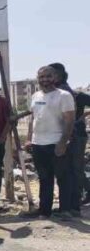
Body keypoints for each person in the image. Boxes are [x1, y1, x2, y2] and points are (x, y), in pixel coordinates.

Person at [25, 65, 77, 219]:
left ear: (55, 78)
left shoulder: (64, 95)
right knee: (44, 178)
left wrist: (62, 143)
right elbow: (32, 119)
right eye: (41, 77)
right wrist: (28, 139)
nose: (45, 80)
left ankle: (65, 210)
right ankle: (44, 211)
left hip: (56, 142)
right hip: (38, 143)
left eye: (48, 76)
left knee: (63, 177)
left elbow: (70, 121)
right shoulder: (35, 96)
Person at [50, 63, 90, 208]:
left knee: (74, 168)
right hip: (64, 135)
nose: (47, 79)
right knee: (72, 168)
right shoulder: (54, 93)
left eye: (50, 74)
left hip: (76, 135)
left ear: (58, 75)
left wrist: (80, 117)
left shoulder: (70, 94)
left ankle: (75, 201)